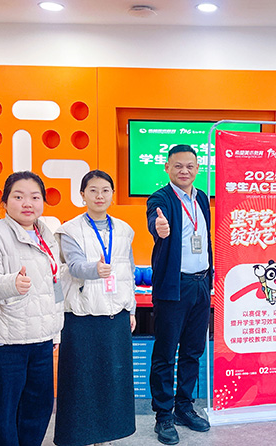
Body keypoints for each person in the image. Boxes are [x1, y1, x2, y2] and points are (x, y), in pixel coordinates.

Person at [0, 171, 64, 446]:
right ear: (5, 201)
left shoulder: (46, 235)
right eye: (18, 197)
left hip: (40, 339)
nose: (27, 203)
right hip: (2, 342)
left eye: (35, 197)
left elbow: (53, 285)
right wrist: (11, 283)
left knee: (38, 409)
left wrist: (55, 331)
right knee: (1, 417)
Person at [54, 170, 137, 445]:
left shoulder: (124, 229)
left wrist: (131, 309)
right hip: (82, 316)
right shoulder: (69, 230)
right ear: (82, 195)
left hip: (116, 316)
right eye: (92, 190)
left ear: (112, 194)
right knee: (81, 382)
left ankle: (108, 435)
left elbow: (128, 272)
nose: (99, 196)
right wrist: (95, 269)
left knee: (113, 381)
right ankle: (79, 436)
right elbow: (74, 266)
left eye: (105, 190)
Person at [146, 144, 213, 445]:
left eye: (190, 166)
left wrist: (210, 280)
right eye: (178, 166)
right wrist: (159, 227)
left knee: (192, 351)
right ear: (167, 168)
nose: (184, 171)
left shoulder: (202, 198)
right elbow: (155, 221)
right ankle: (163, 414)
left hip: (201, 285)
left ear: (197, 168)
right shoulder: (160, 198)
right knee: (165, 353)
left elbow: (204, 238)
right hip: (174, 286)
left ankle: (184, 407)